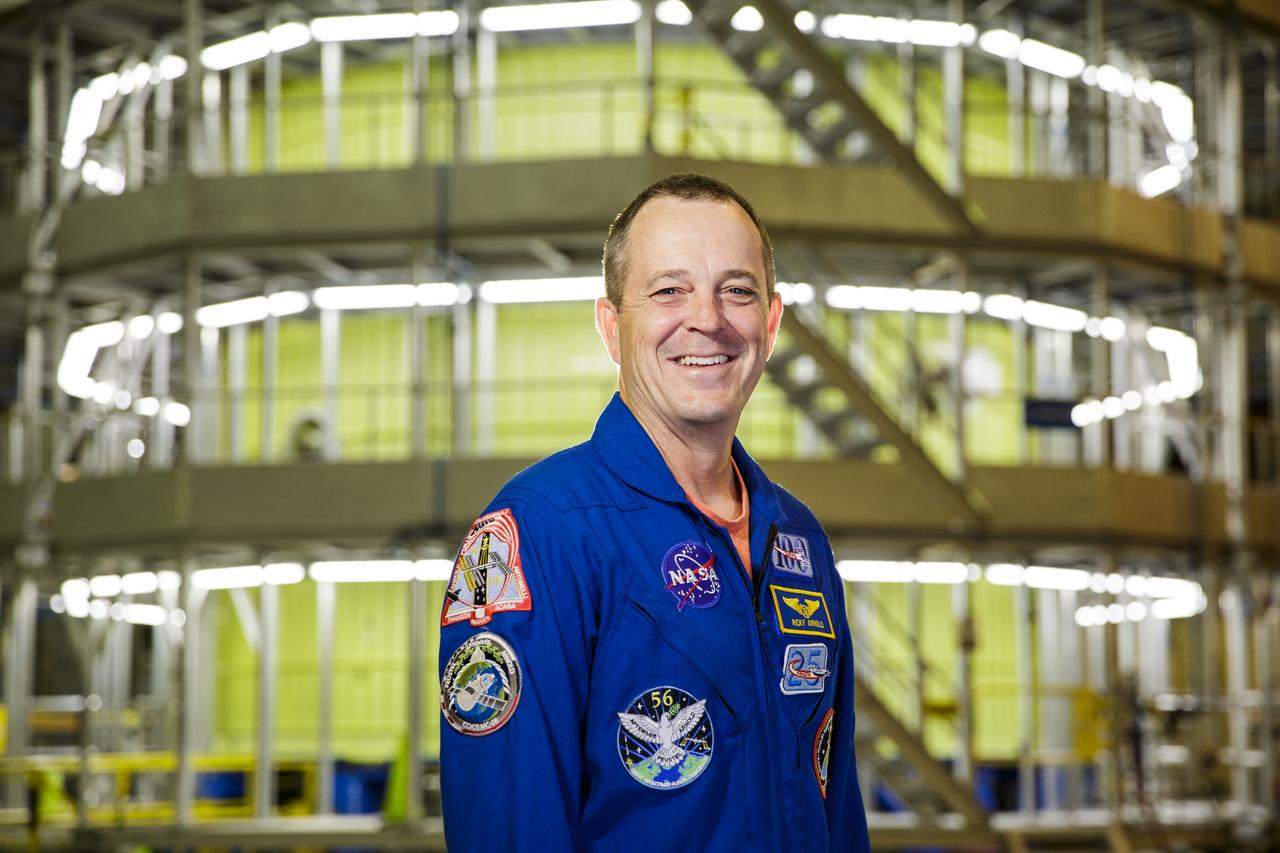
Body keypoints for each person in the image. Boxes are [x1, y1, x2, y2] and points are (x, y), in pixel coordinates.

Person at [438, 173, 871, 852]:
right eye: (669, 289)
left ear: (772, 321)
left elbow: (837, 811)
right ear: (612, 327)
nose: (709, 317)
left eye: (738, 289)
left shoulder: (799, 542)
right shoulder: (543, 534)